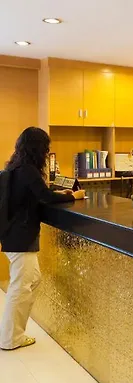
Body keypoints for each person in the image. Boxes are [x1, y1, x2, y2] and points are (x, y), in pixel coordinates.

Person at [0, 127, 85, 350]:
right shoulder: (28, 170)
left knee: (32, 279)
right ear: (38, 148)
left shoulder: (16, 167)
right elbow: (45, 196)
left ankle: (14, 333)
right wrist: (74, 196)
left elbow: (36, 195)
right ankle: (10, 338)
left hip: (13, 235)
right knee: (20, 287)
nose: (47, 153)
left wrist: (61, 194)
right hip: (20, 237)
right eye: (46, 148)